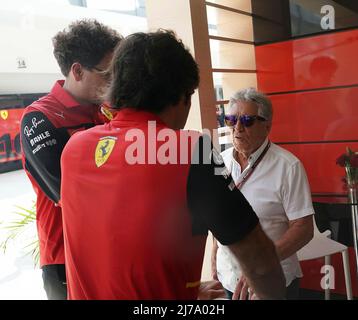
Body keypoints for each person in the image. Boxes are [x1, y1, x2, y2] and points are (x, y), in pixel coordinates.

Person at [60, 30, 285, 300]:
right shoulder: (191, 150)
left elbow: (114, 249)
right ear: (183, 97)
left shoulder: (74, 149)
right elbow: (258, 261)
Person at [20, 19, 122, 300]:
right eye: (107, 73)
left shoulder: (107, 111)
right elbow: (68, 194)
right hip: (65, 257)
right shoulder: (39, 119)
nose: (114, 81)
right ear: (77, 70)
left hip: (110, 249)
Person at [212, 87, 314, 300]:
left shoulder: (288, 167)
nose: (237, 128)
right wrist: (214, 256)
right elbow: (219, 213)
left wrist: (261, 265)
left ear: (267, 126)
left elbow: (303, 228)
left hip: (272, 282)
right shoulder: (219, 161)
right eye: (231, 119)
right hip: (228, 277)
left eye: (247, 121)